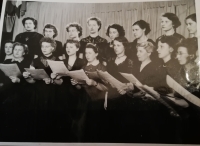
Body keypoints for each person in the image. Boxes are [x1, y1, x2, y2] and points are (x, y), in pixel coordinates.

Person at [22, 37, 62, 142]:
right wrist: (28, 77)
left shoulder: (59, 61)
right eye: (42, 46)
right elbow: (32, 82)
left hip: (53, 94)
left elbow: (61, 82)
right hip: (38, 93)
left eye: (47, 46)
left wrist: (51, 80)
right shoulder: (35, 60)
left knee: (50, 120)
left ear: (53, 48)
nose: (44, 48)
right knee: (36, 119)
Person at [71, 43, 107, 142]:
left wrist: (94, 83)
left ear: (96, 54)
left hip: (96, 101)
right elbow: (80, 88)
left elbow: (105, 88)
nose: (87, 55)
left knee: (94, 128)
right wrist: (76, 83)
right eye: (86, 53)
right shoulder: (83, 67)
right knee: (81, 127)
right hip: (83, 101)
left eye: (90, 53)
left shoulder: (102, 68)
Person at [105, 36, 135, 142]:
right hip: (112, 95)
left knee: (124, 126)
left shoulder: (130, 61)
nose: (115, 47)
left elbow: (133, 82)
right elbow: (107, 77)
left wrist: (125, 87)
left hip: (125, 96)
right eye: (114, 45)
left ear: (125, 46)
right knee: (111, 124)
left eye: (118, 45)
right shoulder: (110, 60)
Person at [175, 38, 200, 144]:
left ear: (191, 56)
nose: (177, 56)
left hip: (195, 119)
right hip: (183, 116)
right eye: (177, 53)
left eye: (181, 53)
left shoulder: (196, 72)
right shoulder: (181, 69)